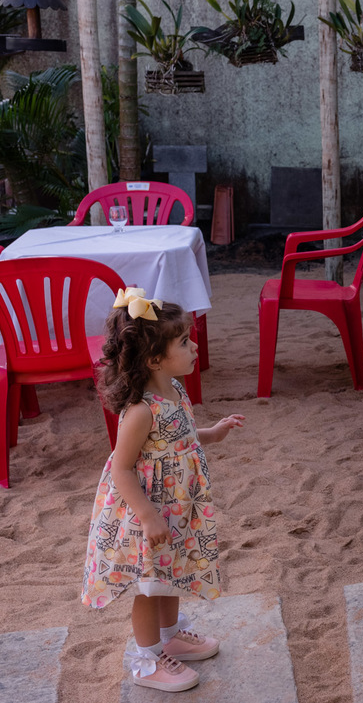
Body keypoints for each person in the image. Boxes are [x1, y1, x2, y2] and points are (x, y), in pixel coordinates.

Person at [81, 289, 245, 692]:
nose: (194, 347)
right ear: (154, 359)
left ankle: (169, 636)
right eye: (184, 342)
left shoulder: (174, 389)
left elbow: (179, 436)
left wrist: (212, 433)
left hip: (178, 505)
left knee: (171, 574)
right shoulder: (140, 411)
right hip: (148, 511)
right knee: (148, 586)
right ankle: (147, 659)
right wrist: (148, 515)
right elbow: (121, 468)